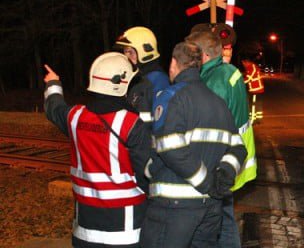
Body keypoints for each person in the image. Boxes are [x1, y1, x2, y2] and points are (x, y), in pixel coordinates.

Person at [140, 41, 247, 248]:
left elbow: (170, 147)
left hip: (174, 207)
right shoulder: (219, 103)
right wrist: (223, 175)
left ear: (173, 63)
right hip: (210, 208)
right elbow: (238, 147)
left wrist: (206, 182)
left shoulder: (170, 97)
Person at [43, 52, 151, 248]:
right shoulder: (131, 124)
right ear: (122, 85)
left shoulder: (75, 117)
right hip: (125, 233)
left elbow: (54, 108)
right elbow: (147, 176)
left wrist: (53, 84)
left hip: (85, 231)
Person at [185, 29, 257, 248]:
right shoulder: (229, 71)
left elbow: (206, 126)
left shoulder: (212, 81)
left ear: (204, 55)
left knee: (219, 220)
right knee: (225, 217)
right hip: (235, 157)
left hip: (221, 161)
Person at [114, 26, 170, 126]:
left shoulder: (158, 81)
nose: (126, 57)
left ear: (145, 51)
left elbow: (162, 121)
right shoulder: (137, 78)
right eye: (125, 52)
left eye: (130, 52)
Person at [242, 59, 265, 124]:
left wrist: (240, 82)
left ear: (247, 62)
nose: (243, 65)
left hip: (256, 90)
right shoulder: (252, 67)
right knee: (257, 105)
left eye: (243, 63)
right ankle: (258, 119)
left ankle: (252, 120)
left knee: (253, 105)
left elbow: (248, 78)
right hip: (257, 90)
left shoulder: (252, 67)